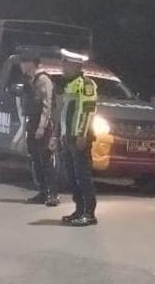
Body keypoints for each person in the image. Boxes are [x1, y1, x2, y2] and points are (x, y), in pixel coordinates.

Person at [57, 48, 98, 227]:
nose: (62, 67)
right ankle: (79, 210)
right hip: (69, 137)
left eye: (65, 64)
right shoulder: (70, 85)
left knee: (83, 176)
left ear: (75, 66)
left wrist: (82, 134)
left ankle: (89, 213)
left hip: (80, 138)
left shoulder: (86, 84)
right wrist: (61, 134)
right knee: (72, 177)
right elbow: (65, 113)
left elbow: (87, 111)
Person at [19, 54, 59, 206]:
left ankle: (52, 194)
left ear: (32, 63)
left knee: (45, 159)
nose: (21, 66)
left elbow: (46, 104)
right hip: (32, 122)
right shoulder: (29, 80)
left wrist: (42, 127)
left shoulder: (43, 79)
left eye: (24, 62)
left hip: (42, 124)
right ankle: (42, 192)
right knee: (35, 160)